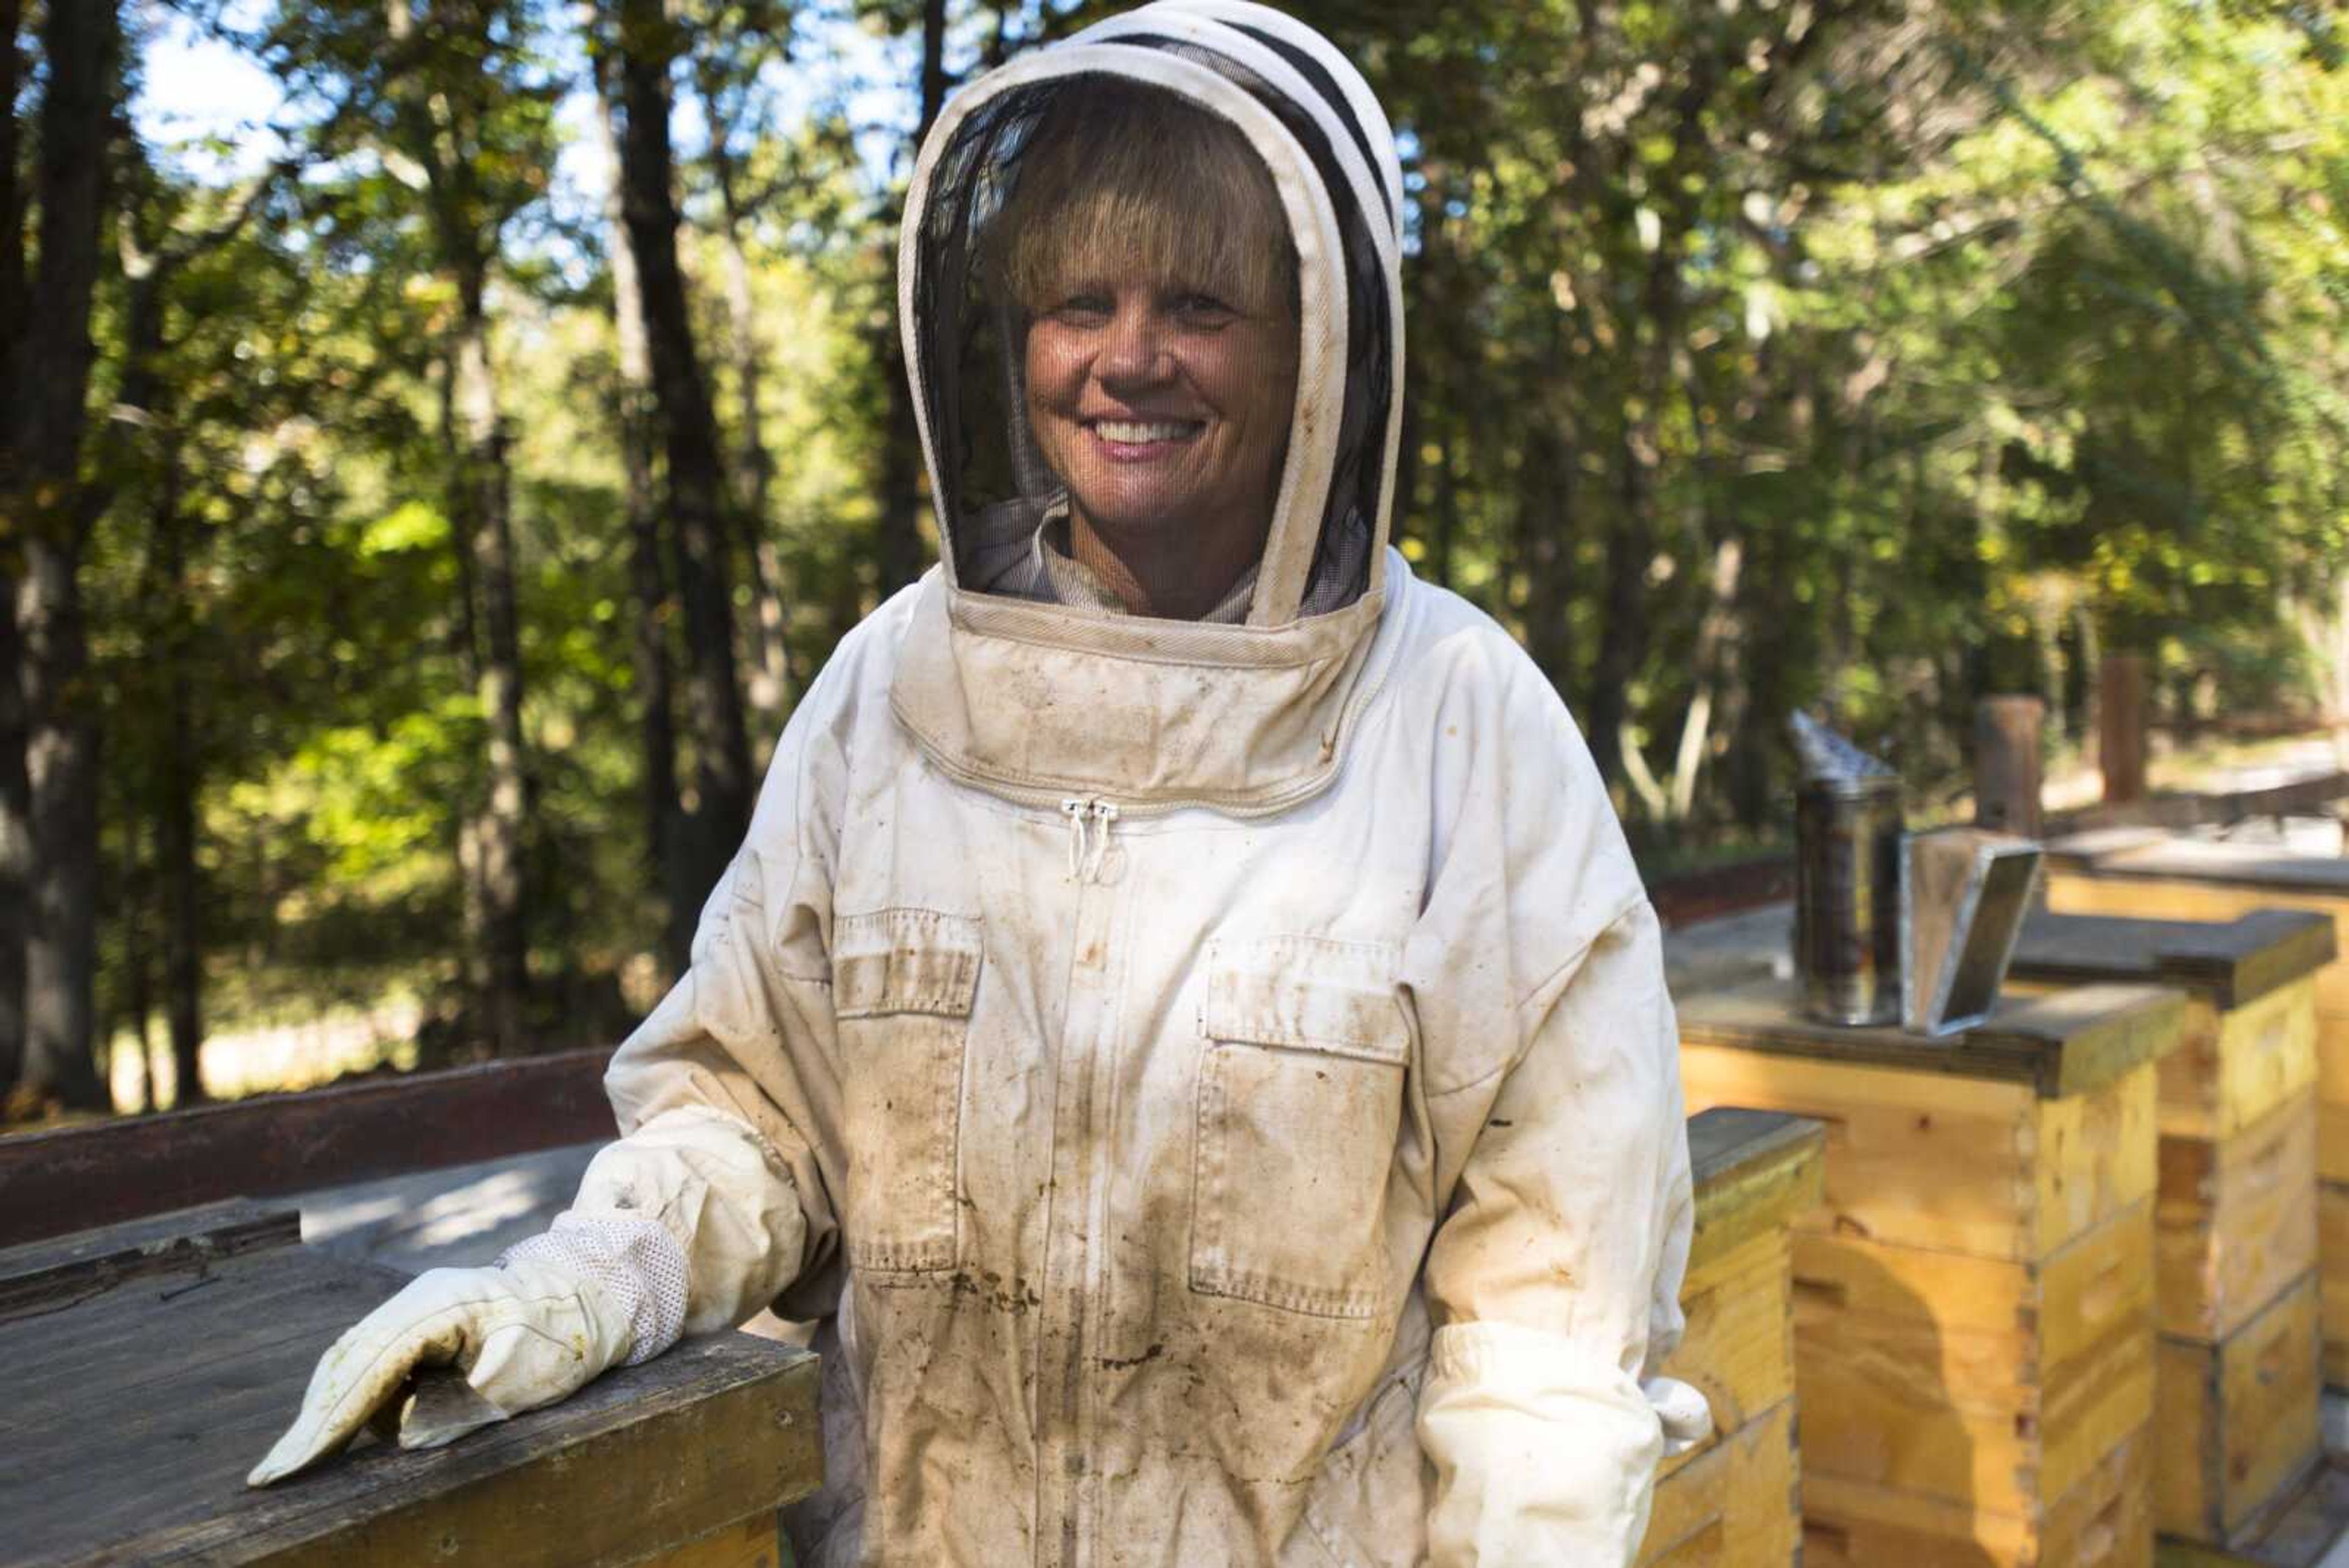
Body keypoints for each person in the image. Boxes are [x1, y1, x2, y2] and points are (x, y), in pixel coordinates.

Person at [250, 5, 1704, 1562]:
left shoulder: (1465, 731)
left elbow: (1552, 1328)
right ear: (1017, 341)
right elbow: (758, 1115)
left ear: (1312, 350)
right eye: (1081, 299)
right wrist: (585, 1283)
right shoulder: (889, 690)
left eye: (1201, 304)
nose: (1129, 357)